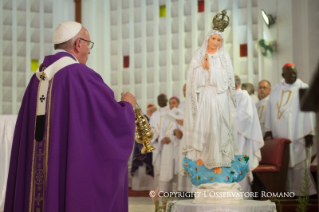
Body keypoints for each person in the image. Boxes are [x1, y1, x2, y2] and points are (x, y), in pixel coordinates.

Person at [4, 21, 136, 212]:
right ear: (78, 44)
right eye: (88, 45)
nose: (89, 51)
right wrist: (128, 105)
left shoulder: (37, 79)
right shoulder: (81, 75)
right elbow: (110, 120)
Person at [182, 13, 238, 173]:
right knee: (205, 125)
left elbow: (227, 79)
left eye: (219, 40)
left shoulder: (224, 56)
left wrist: (210, 69)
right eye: (213, 38)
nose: (216, 42)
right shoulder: (198, 55)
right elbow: (192, 77)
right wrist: (202, 68)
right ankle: (203, 156)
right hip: (205, 96)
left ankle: (218, 159)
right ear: (208, 38)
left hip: (220, 97)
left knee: (218, 126)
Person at [264, 63, 317, 195]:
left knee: (299, 162)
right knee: (284, 161)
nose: (292, 76)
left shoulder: (303, 87)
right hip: (280, 133)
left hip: (298, 133)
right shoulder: (276, 89)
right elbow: (270, 109)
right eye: (289, 73)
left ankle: (305, 193)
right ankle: (286, 190)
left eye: (294, 73)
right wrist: (269, 129)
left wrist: (309, 132)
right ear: (283, 75)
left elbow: (308, 111)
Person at [235, 76, 264, 196]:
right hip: (230, 139)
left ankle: (242, 197)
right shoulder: (228, 97)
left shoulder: (243, 96)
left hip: (240, 139)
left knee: (238, 168)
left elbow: (245, 118)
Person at [158, 96, 180, 192]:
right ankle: (166, 191)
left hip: (175, 145)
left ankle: (175, 190)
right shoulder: (166, 116)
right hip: (166, 146)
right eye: (170, 103)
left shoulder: (180, 115)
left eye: (174, 103)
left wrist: (171, 138)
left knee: (174, 167)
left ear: (178, 104)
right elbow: (162, 129)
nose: (171, 105)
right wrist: (162, 138)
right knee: (166, 166)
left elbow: (179, 131)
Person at [150, 94, 169, 189]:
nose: (160, 101)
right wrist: (156, 138)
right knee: (157, 167)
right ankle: (158, 189)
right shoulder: (154, 114)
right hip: (157, 143)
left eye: (162, 99)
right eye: (159, 100)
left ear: (167, 100)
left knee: (168, 166)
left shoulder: (171, 112)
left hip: (168, 144)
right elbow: (151, 129)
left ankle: (168, 189)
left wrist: (166, 137)